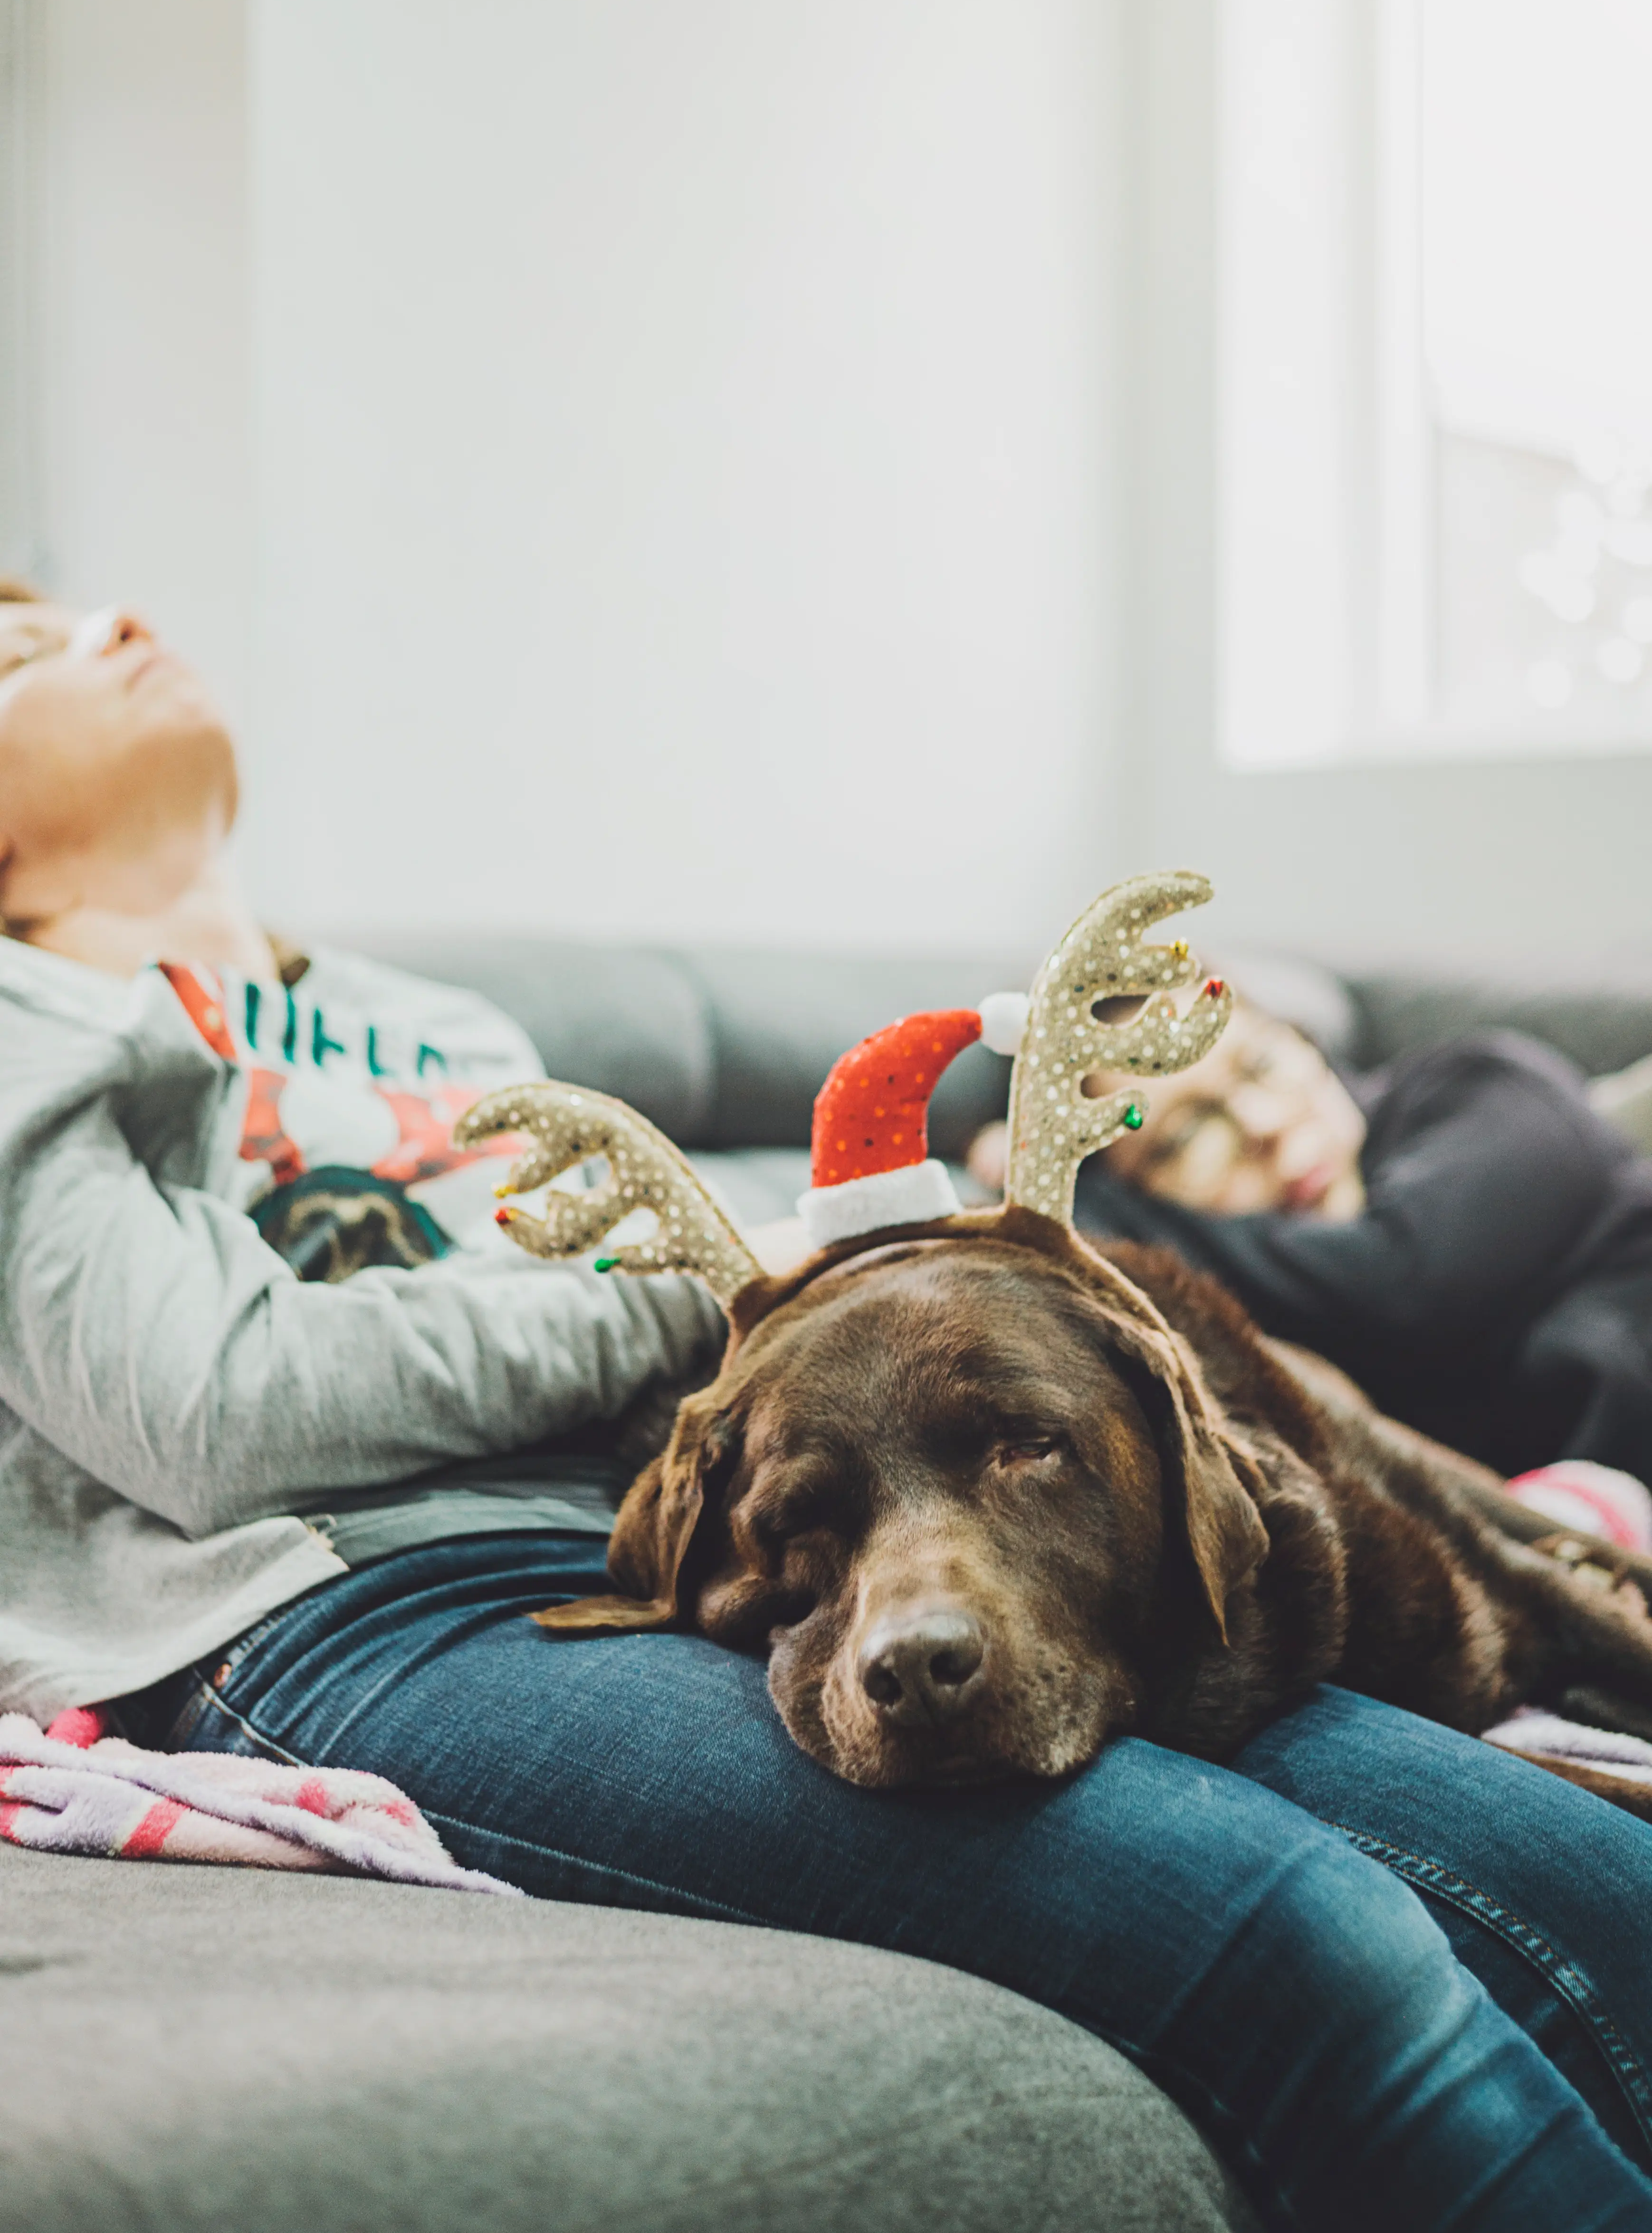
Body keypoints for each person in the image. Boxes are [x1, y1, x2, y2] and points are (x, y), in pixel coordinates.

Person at [4, 585, 1652, 2232]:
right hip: (346, 1609)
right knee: (1296, 1928)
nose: (108, 627)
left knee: (1592, 1878)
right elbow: (210, 1411)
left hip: (677, 1560)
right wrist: (698, 1290)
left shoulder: (431, 1026)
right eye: (21, 652)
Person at [968, 992, 1652, 1494]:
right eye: (1186, 1137)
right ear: (1146, 1191)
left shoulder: (1490, 1087)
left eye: (1260, 1063)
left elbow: (1399, 1285)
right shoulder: (1247, 1344)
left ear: (1305, 1042)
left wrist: (1088, 1203)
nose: (1264, 1124)